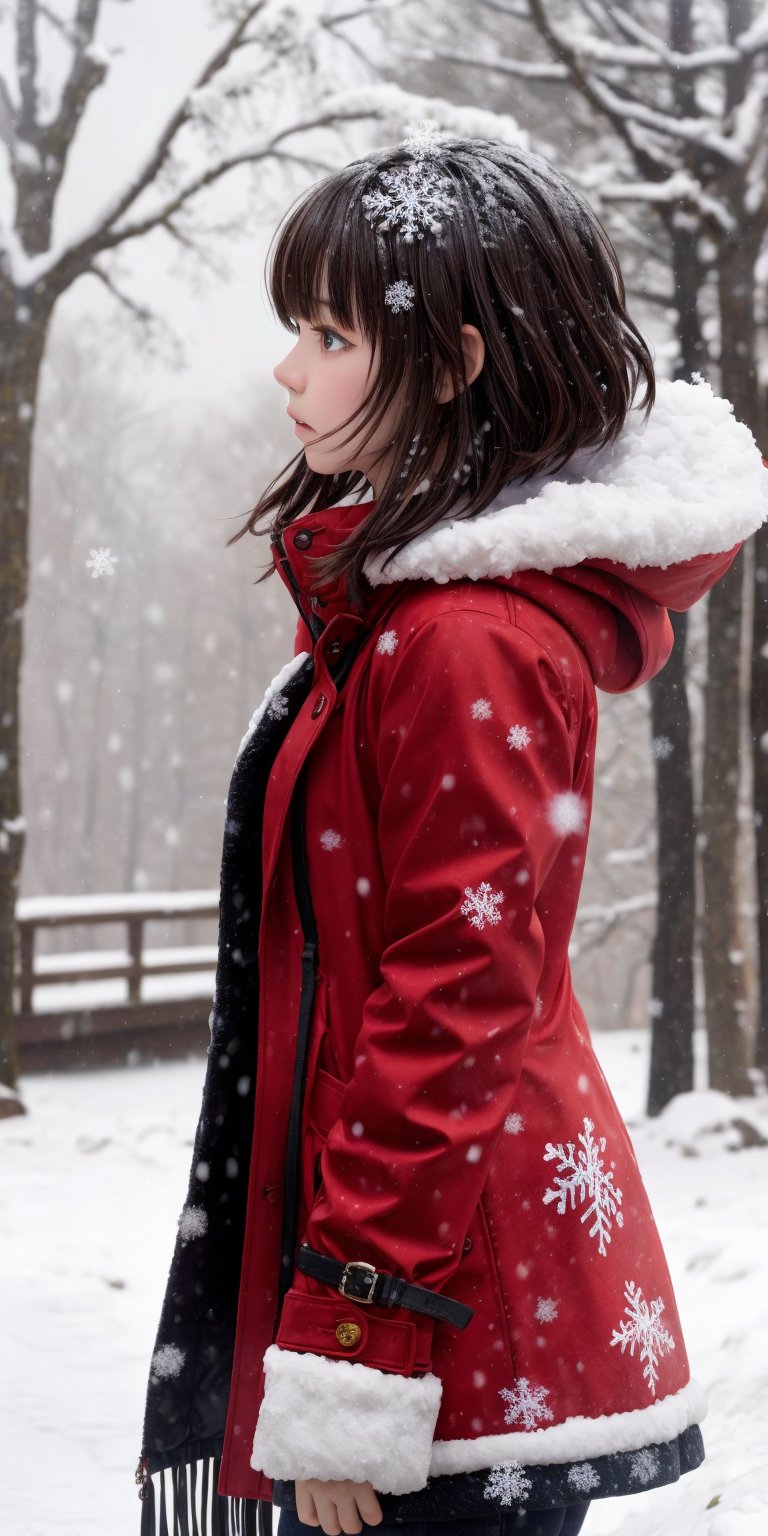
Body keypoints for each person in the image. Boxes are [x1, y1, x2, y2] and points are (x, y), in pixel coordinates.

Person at [135, 126, 768, 1536]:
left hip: (444, 1333)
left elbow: (451, 1006)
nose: (289, 371)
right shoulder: (410, 622)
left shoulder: (462, 639)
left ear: (461, 360)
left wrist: (357, 1343)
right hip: (450, 1292)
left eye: (328, 332)